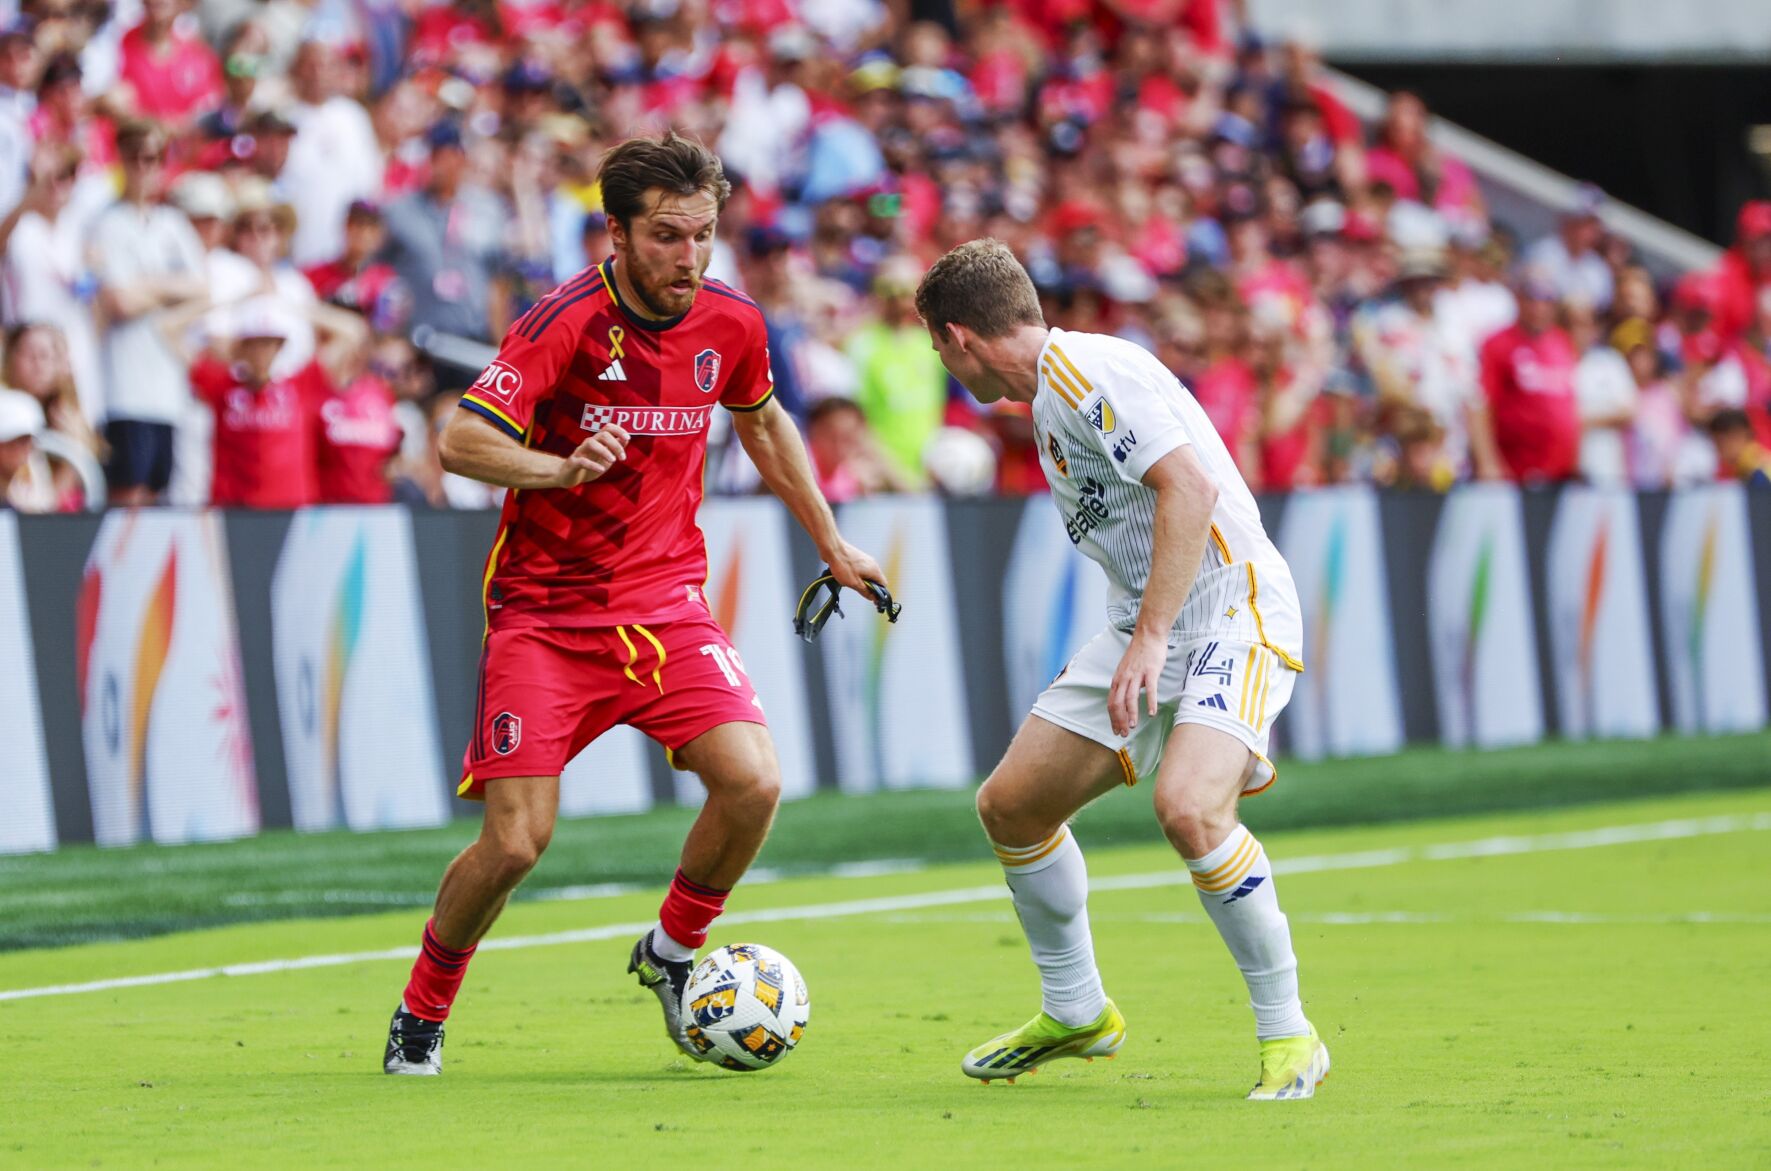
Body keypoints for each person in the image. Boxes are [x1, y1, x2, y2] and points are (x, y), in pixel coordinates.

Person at [382, 132, 887, 1076]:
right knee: (518, 842)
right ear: (614, 233)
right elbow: (458, 441)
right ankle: (422, 1008)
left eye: (701, 235)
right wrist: (556, 467)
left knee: (755, 782)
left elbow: (765, 421)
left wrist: (831, 541)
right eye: (665, 237)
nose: (688, 257)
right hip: (545, 613)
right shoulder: (560, 322)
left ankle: (671, 953)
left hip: (664, 605)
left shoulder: (731, 323)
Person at [914, 238, 1326, 1100]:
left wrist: (1149, 636)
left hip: (1228, 606)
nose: (944, 367)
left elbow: (1189, 489)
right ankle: (1076, 1010)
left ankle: (1289, 1034)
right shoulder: (1047, 402)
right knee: (1012, 806)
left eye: (937, 350)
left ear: (958, 337)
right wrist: (1142, 633)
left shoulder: (1090, 373)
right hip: (1150, 619)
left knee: (1187, 806)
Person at [89, 121, 207, 505]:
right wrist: (172, 288)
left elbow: (203, 288)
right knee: (129, 495)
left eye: (153, 158)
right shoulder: (108, 223)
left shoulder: (173, 224)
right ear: (121, 160)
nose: (145, 167)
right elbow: (119, 303)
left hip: (166, 389)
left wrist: (144, 284)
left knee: (156, 492)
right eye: (136, 157)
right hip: (124, 387)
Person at [1478, 269, 1581, 483]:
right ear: (1519, 298)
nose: (1539, 307)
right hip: (1514, 474)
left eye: (1547, 299)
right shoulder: (1498, 344)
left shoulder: (1563, 342)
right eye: (1532, 297)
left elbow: (1571, 409)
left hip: (1560, 475)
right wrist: (1488, 462)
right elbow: (1481, 407)